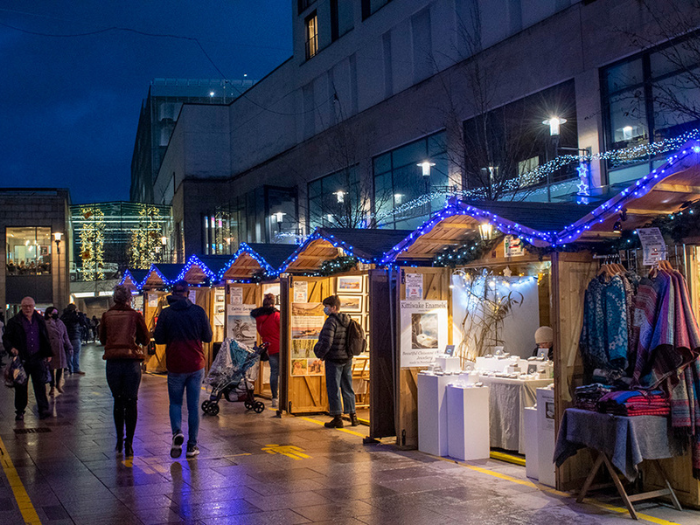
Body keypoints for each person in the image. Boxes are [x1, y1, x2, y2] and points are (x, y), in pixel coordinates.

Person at [154, 280, 212, 459]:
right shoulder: (198, 311)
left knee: (175, 403)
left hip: (175, 364)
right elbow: (208, 337)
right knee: (193, 406)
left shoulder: (166, 314)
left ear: (173, 293)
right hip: (195, 364)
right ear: (187, 293)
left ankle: (177, 432)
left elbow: (159, 340)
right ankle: (192, 446)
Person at [100, 285, 150, 457]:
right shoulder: (135, 316)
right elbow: (145, 339)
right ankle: (129, 442)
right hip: (131, 363)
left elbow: (101, 339)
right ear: (129, 299)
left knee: (118, 400)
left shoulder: (106, 316)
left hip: (113, 362)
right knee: (131, 401)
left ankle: (119, 438)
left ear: (114, 298)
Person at [3, 297, 53, 420]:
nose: (28, 308)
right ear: (21, 307)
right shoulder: (14, 321)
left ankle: (43, 409)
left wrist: (48, 353)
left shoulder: (40, 320)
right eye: (25, 306)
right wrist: (11, 348)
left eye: (30, 306)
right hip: (22, 359)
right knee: (21, 385)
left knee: (40, 384)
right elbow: (6, 338)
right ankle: (20, 411)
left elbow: (45, 337)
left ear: (34, 306)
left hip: (37, 357)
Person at [314, 295, 357, 428]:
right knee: (347, 387)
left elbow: (327, 341)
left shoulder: (331, 321)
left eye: (326, 307)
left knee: (333, 388)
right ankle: (353, 416)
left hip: (334, 359)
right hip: (347, 358)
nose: (324, 310)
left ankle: (337, 418)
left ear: (333, 307)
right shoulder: (348, 319)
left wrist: (320, 354)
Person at [251, 293, 281, 408]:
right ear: (273, 304)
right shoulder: (276, 316)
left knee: (274, 372)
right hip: (280, 347)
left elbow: (262, 333)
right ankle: (284, 396)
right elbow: (284, 328)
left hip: (270, 348)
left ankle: (274, 398)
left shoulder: (259, 318)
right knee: (283, 373)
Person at [44, 307, 72, 396]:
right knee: (51, 368)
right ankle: (52, 386)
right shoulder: (45, 323)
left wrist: (69, 346)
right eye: (54, 312)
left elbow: (66, 336)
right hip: (51, 347)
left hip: (60, 346)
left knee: (60, 366)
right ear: (49, 314)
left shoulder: (61, 323)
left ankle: (58, 385)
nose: (56, 314)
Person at [61, 304, 86, 375]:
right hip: (75, 336)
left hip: (66, 337)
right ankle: (76, 368)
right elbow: (82, 323)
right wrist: (80, 313)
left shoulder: (63, 316)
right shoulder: (75, 316)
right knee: (76, 353)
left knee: (68, 353)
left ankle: (68, 368)